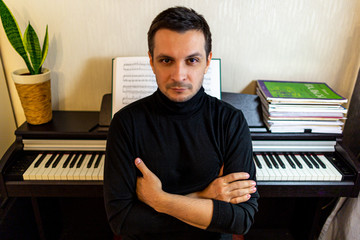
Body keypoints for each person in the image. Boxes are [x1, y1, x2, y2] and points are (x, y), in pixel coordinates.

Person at [104, 6, 259, 239]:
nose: (178, 75)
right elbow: (122, 221)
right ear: (151, 61)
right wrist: (205, 198)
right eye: (166, 60)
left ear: (207, 61)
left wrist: (159, 200)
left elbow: (242, 219)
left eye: (192, 60)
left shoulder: (230, 121)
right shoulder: (125, 123)